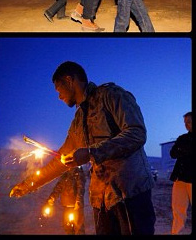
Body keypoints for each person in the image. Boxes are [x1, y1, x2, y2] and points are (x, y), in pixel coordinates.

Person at [10, 61, 156, 235]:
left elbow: (136, 133)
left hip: (130, 194)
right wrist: (28, 185)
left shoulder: (111, 95)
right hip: (101, 202)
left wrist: (91, 153)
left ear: (69, 80)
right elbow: (61, 160)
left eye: (59, 89)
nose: (59, 96)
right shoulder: (78, 121)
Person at [44, 166, 87, 235]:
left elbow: (80, 188)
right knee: (67, 227)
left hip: (76, 207)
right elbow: (58, 187)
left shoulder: (78, 173)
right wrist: (51, 198)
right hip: (66, 206)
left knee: (78, 228)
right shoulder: (65, 174)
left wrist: (78, 201)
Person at [170, 112, 192, 235]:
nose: (186, 125)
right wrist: (185, 150)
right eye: (185, 123)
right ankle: (177, 233)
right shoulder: (182, 138)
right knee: (178, 209)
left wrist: (182, 150)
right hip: (179, 178)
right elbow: (173, 153)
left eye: (188, 122)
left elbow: (179, 151)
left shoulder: (183, 141)